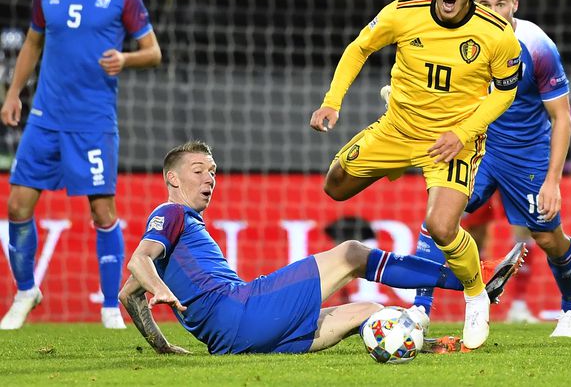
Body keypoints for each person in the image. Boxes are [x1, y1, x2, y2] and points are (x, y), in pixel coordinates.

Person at [309, 0, 523, 349]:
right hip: (399, 129)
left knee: (442, 227)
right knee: (334, 186)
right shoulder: (402, 13)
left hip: (453, 141)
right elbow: (359, 48)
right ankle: (394, 162)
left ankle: (476, 295)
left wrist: (463, 133)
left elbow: (504, 93)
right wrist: (332, 101)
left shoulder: (496, 35)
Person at [118, 141, 523, 355]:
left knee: (370, 312)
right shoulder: (169, 214)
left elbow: (127, 295)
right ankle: (474, 279)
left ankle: (432, 345)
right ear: (171, 178)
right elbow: (139, 262)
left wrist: (164, 345)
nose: (210, 179)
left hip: (234, 341)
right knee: (350, 253)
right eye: (198, 171)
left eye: (213, 171)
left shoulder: (182, 230)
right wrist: (158, 286)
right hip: (241, 309)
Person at [391, 0, 571, 337]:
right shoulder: (456, 36)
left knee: (546, 237)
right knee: (439, 219)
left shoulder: (538, 46)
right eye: (484, 4)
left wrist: (553, 182)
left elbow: (562, 118)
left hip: (525, 153)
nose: (494, 12)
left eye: (501, 4)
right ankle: (419, 309)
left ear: (515, 4)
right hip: (476, 147)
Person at [0, 0, 162, 330]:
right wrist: (14, 93)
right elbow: (33, 42)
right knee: (17, 204)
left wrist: (125, 58)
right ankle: (25, 292)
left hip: (92, 121)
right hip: (45, 118)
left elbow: (153, 51)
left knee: (103, 211)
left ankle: (111, 305)